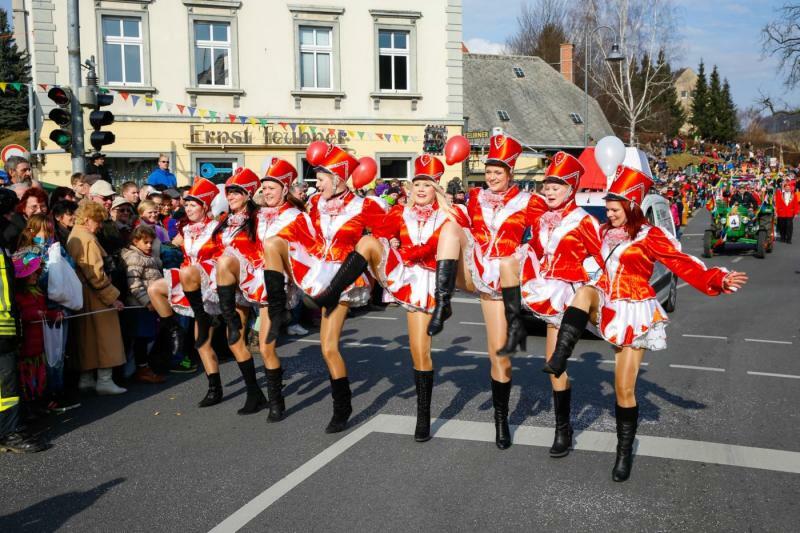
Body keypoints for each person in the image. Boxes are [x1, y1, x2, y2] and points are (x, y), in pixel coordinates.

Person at [542, 165, 748, 482]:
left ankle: (623, 455)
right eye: (607, 209)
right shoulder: (599, 231)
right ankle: (560, 357)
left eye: (613, 210)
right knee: (584, 292)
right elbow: (570, 250)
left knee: (624, 389)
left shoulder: (651, 236)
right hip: (603, 301)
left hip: (633, 311)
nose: (608, 215)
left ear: (631, 207)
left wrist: (717, 278)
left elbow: (683, 263)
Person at [429, 134, 546, 449]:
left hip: (505, 280)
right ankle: (443, 302)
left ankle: (501, 421)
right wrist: (440, 195)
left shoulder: (528, 201)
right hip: (477, 268)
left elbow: (550, 226)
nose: (492, 177)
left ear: (510, 172)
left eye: (498, 172)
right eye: (489, 171)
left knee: (500, 357)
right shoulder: (476, 197)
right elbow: (458, 220)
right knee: (452, 228)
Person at [262, 145, 385, 433]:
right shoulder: (315, 203)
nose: (316, 185)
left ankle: (342, 407)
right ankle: (278, 309)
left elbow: (386, 233)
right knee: (273, 243)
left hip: (342, 277)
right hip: (315, 266)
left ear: (339, 178)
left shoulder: (362, 206)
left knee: (328, 348)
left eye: (321, 179)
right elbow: (287, 212)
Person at [340, 154, 452, 441]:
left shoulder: (450, 215)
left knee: (421, 350)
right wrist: (390, 239)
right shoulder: (400, 212)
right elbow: (379, 230)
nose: (420, 189)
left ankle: (424, 415)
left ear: (437, 188)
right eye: (416, 184)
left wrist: (407, 250)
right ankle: (333, 292)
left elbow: (438, 246)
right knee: (417, 350)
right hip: (405, 276)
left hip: (432, 280)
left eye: (426, 184)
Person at [519, 152, 603, 458]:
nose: (550, 190)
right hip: (549, 291)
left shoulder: (585, 220)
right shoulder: (542, 220)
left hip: (574, 295)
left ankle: (562, 431)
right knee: (555, 365)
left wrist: (590, 289)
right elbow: (538, 252)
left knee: (556, 361)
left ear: (571, 189)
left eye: (557, 185)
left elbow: (599, 259)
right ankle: (564, 429)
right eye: (547, 185)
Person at [148, 178, 223, 405]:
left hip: (208, 286)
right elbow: (171, 243)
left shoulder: (217, 229)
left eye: (193, 204)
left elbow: (224, 258)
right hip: (186, 280)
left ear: (205, 207)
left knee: (202, 343)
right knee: (154, 289)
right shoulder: (185, 227)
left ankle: (214, 388)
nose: (188, 208)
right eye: (186, 204)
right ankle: (175, 332)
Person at [0, 188, 46, 453]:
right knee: (6, 384)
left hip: (6, 324)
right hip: (2, 326)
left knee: (7, 383)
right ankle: (9, 433)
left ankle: (9, 429)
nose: (10, 223)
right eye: (6, 215)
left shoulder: (4, 247)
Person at [66, 201, 127, 396]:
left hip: (82, 293)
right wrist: (112, 297)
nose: (100, 225)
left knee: (86, 338)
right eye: (98, 221)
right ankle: (104, 380)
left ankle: (86, 379)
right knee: (105, 337)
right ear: (88, 219)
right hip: (95, 294)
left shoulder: (74, 235)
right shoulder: (87, 239)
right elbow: (96, 274)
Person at [13, 250, 62, 418]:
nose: (36, 276)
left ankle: (39, 404)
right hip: (26, 347)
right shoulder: (18, 295)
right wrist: (34, 315)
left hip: (39, 345)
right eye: (33, 274)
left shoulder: (39, 292)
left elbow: (45, 312)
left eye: (37, 273)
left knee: (39, 378)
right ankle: (27, 409)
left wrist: (53, 315)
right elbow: (21, 315)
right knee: (26, 380)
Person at [121, 225, 166, 384]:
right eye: (145, 242)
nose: (149, 245)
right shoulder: (135, 257)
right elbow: (134, 284)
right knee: (142, 338)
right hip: (140, 306)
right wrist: (147, 301)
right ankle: (141, 369)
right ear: (135, 241)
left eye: (151, 242)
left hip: (152, 303)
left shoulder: (150, 256)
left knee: (149, 336)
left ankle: (140, 367)